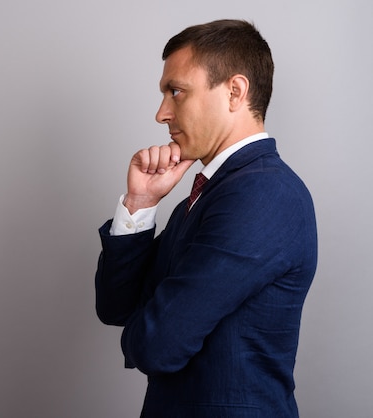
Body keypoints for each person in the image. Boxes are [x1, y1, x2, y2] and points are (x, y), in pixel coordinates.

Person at [95, 19, 317, 417]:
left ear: (235, 91)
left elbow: (157, 345)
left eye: (176, 92)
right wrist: (141, 202)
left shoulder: (263, 194)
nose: (161, 113)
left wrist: (147, 327)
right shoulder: (202, 198)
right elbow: (115, 307)